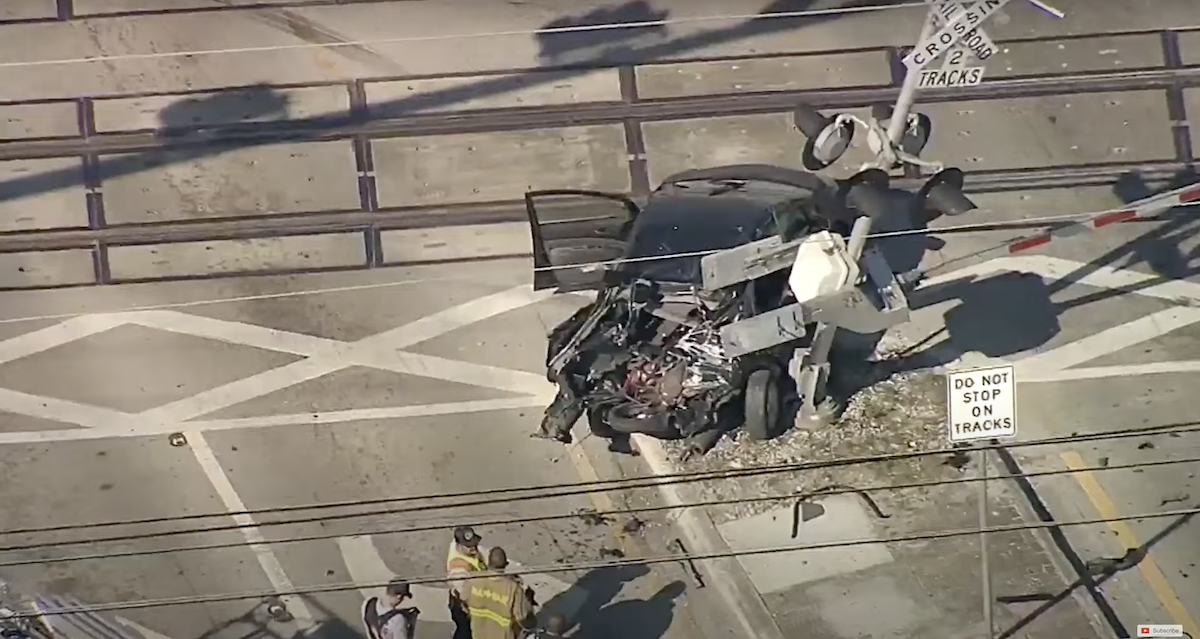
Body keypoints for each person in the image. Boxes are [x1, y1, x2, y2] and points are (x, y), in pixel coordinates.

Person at [464, 547, 535, 639]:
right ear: (505, 565)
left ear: (488, 563)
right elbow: (522, 617)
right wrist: (528, 601)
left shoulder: (473, 579)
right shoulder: (513, 588)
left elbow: (463, 602)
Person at [447, 526, 488, 639]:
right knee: (465, 632)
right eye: (469, 546)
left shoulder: (459, 548)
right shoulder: (458, 568)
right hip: (464, 607)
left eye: (474, 543)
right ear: (459, 545)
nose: (474, 547)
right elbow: (464, 596)